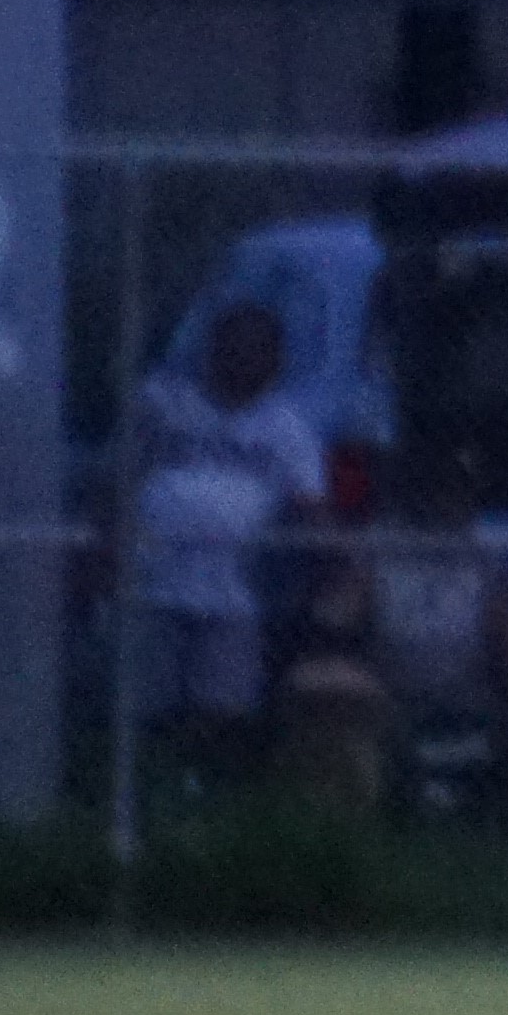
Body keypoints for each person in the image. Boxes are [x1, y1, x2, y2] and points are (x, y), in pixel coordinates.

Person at [282, 437, 508, 822]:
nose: (450, 500)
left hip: (469, 700)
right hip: (389, 701)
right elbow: (332, 627)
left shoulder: (487, 557)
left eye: (459, 490)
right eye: (440, 488)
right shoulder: (374, 550)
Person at [132, 299, 331, 772]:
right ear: (216, 349)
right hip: (151, 583)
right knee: (146, 706)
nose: (249, 360)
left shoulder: (288, 429)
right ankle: (150, 792)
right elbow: (115, 481)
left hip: (235, 593)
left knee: (223, 710)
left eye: (262, 351)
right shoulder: (161, 404)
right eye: (238, 348)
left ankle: (204, 794)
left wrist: (336, 561)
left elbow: (311, 507)